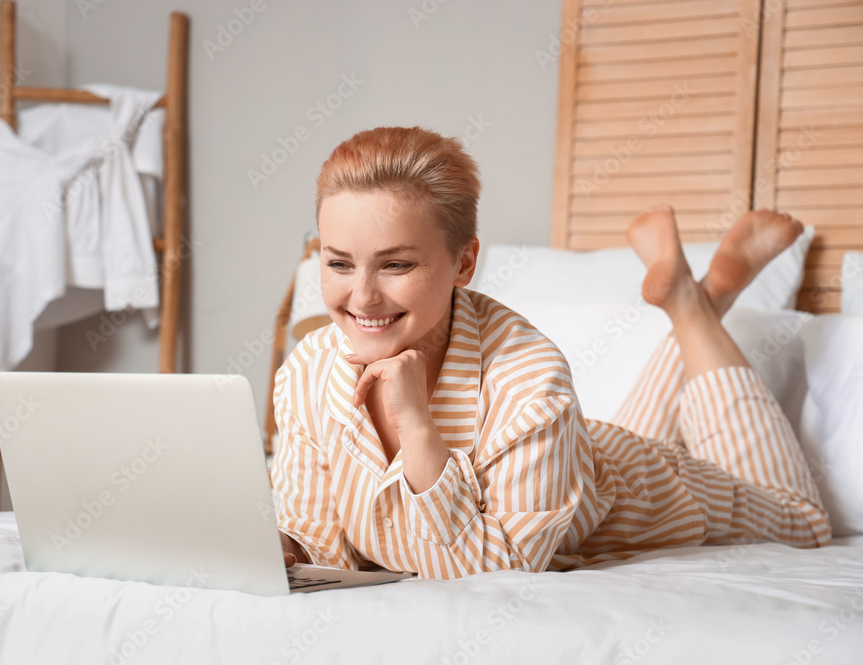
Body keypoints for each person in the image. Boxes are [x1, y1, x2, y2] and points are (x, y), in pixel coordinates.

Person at [271, 126, 831, 579]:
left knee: (803, 521)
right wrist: (285, 546)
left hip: (651, 488)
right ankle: (697, 298)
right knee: (597, 446)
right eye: (339, 263)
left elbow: (500, 566)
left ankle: (692, 305)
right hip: (579, 459)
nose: (361, 296)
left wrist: (417, 428)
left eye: (396, 265)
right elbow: (322, 540)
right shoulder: (309, 370)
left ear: (464, 264)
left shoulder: (532, 379)